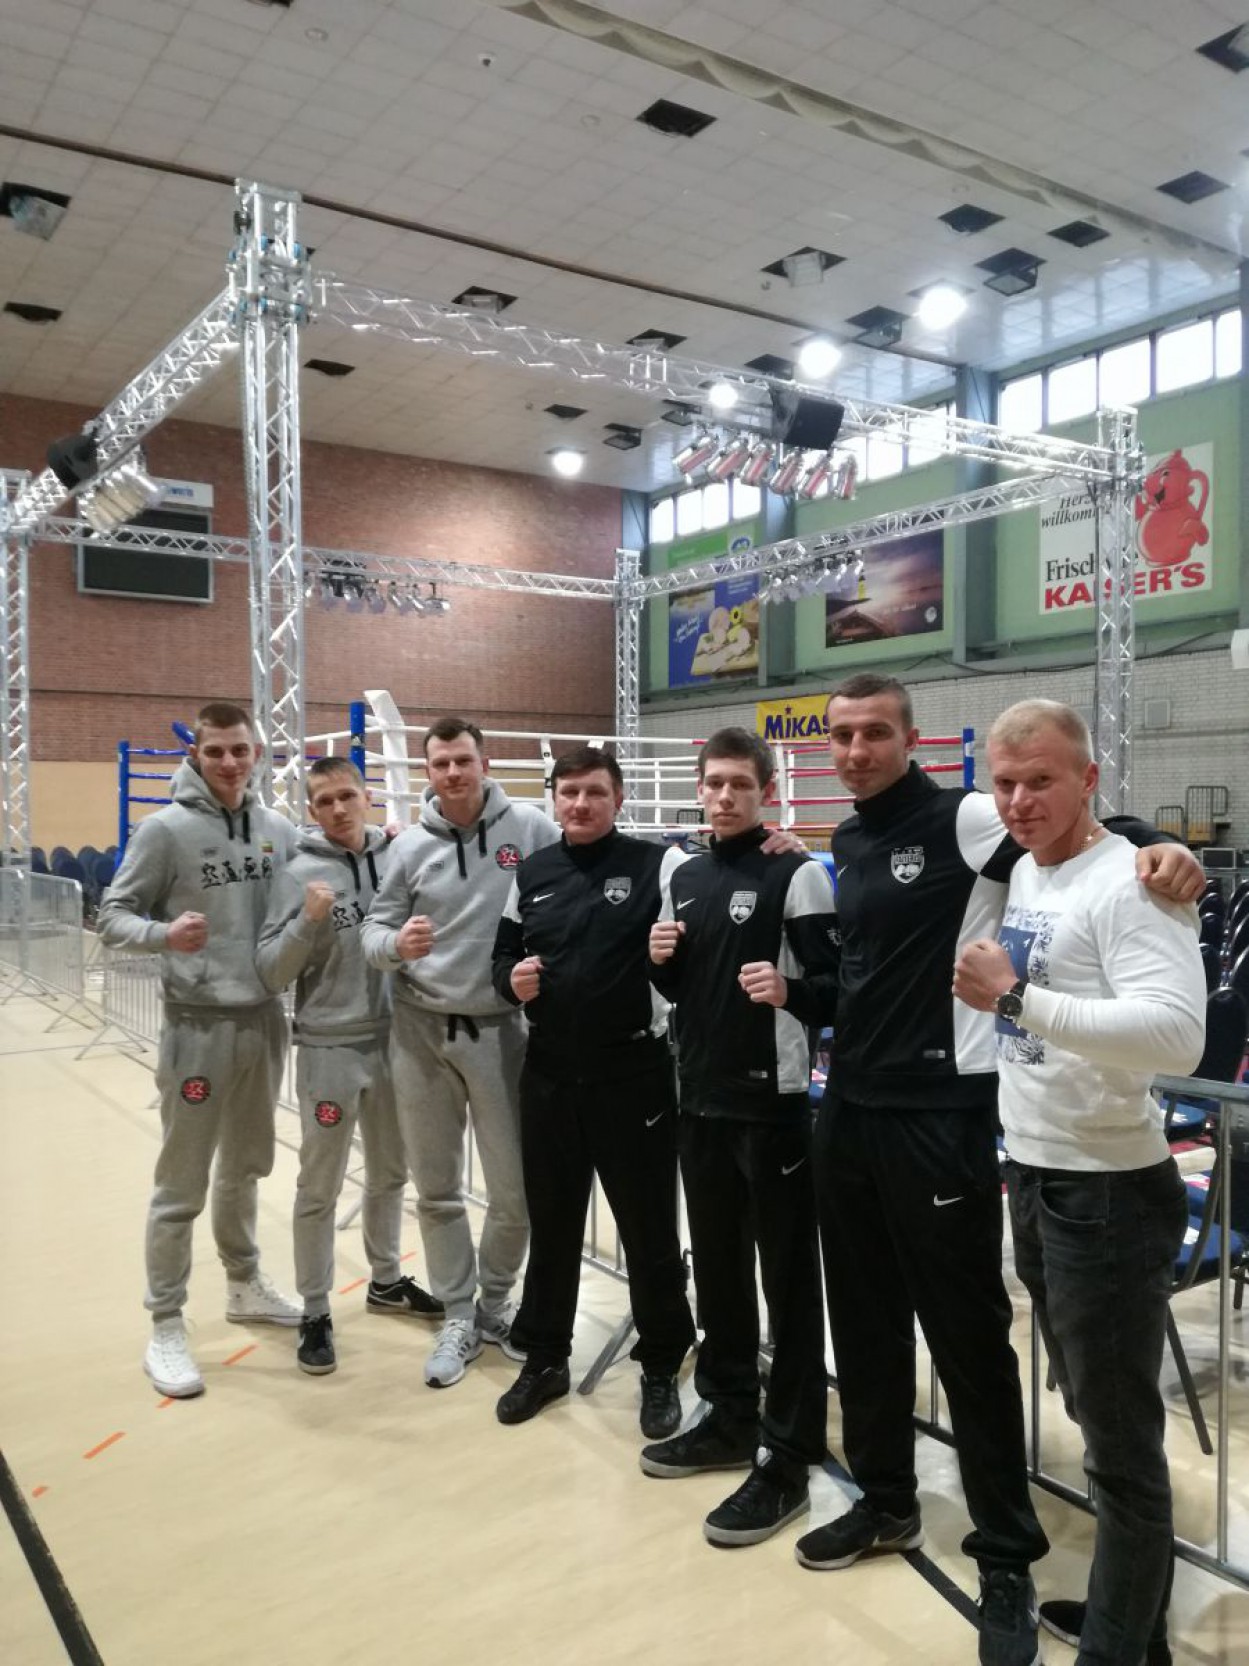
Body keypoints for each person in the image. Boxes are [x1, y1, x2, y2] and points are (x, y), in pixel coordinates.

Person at [800, 672, 1202, 1666]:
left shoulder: (967, 817)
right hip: (876, 1111)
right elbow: (1050, 836)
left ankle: (1009, 1554)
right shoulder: (851, 839)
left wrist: (1164, 844)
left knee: (972, 1337)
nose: (855, 750)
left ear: (911, 739)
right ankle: (887, 1498)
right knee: (865, 1319)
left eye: (874, 732)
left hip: (953, 1119)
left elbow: (1080, 827)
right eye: (840, 735)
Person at [954, 700, 1204, 1666]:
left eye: (1041, 780)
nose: (1019, 801)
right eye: (1004, 783)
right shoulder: (1024, 869)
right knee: (1089, 1415)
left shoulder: (1131, 883)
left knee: (1120, 1448)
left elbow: (1176, 1037)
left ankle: (1117, 1650)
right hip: (1036, 1173)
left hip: (1105, 1193)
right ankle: (1131, 1623)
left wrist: (1016, 997)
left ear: (1089, 779)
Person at [642, 727, 838, 1549]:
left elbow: (837, 988)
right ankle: (728, 1417)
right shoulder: (683, 875)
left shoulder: (797, 873)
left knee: (786, 1286)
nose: (723, 797)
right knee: (719, 1272)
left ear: (766, 793)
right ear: (699, 788)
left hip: (773, 1105)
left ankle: (789, 1452)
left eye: (739, 785)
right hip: (701, 1100)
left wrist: (790, 990)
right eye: (713, 783)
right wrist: (657, 961)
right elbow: (680, 985)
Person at [489, 745, 696, 1435]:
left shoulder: (658, 866)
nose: (580, 804)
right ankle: (545, 1357)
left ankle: (661, 1360)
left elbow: (719, 886)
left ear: (618, 799)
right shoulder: (532, 872)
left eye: (594, 792)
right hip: (549, 1072)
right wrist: (509, 980)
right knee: (552, 1223)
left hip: (631, 1074)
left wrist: (776, 843)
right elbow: (503, 954)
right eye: (569, 792)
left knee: (647, 1227)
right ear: (553, 798)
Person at [97, 701, 302, 1399]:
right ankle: (165, 1321)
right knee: (181, 1182)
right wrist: (162, 935)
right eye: (215, 751)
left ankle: (243, 1282)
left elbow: (324, 883)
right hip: (196, 1026)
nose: (229, 762)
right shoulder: (166, 831)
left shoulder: (279, 831)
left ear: (257, 754)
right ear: (196, 755)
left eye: (239, 750)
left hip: (264, 1020)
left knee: (246, 1167)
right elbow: (112, 916)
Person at [361, 716, 560, 1388]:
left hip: (504, 1030)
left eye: (462, 760)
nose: (452, 773)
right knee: (437, 1187)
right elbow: (373, 930)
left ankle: (494, 1302)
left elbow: (586, 870)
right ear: (428, 772)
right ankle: (455, 1311)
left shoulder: (530, 828)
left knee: (514, 1190)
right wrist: (395, 946)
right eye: (440, 763)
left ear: (484, 763)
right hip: (420, 1031)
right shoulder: (409, 846)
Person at [256, 757, 442, 1377]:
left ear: (367, 797)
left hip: (398, 1039)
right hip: (329, 1048)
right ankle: (314, 1308)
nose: (338, 809)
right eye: (325, 801)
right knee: (320, 1184)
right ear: (311, 810)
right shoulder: (296, 873)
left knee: (391, 1172)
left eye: (347, 796)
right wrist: (306, 922)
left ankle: (385, 1280)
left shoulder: (397, 858)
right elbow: (270, 972)